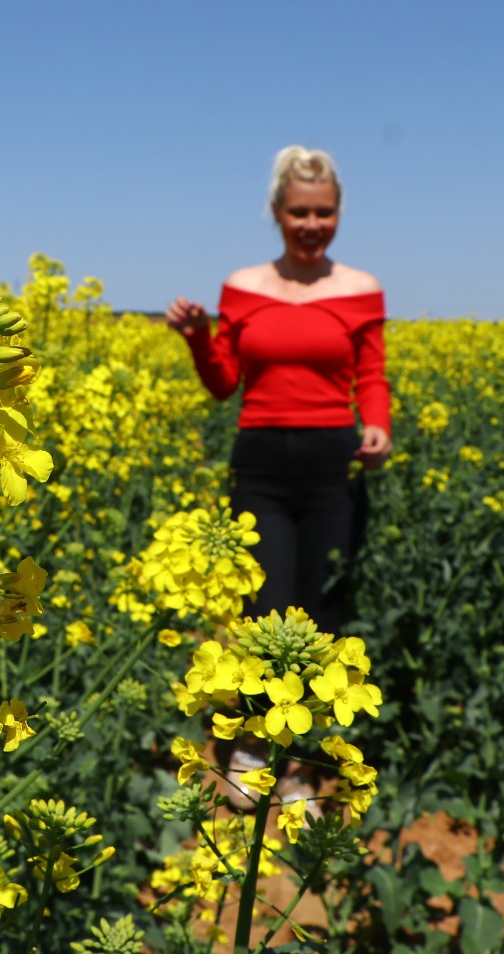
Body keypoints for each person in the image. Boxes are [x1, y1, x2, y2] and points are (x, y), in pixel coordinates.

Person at [167, 145, 391, 808]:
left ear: (339, 212)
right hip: (260, 462)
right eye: (299, 211)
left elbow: (371, 376)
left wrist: (376, 428)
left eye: (323, 212)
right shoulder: (242, 286)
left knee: (320, 612)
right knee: (263, 609)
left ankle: (293, 767)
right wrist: (199, 339)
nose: (312, 223)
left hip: (332, 463)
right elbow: (223, 384)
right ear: (276, 212)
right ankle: (251, 748)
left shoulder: (360, 288)